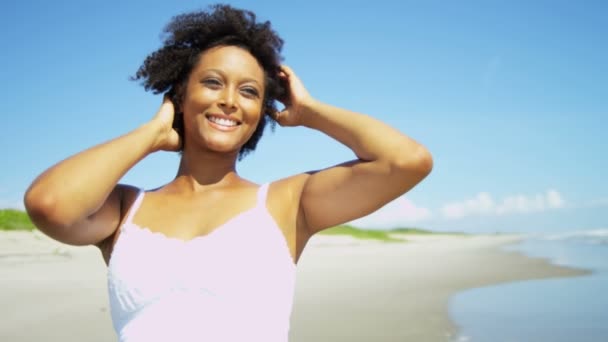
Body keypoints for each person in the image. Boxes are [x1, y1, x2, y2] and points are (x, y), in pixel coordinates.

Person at [23, 4, 433, 342]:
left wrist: (310, 113)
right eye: (214, 83)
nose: (230, 101)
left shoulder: (287, 203)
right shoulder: (124, 209)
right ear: (180, 94)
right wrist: (150, 135)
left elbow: (406, 161)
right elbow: (49, 204)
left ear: (262, 110)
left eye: (249, 91)